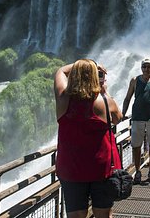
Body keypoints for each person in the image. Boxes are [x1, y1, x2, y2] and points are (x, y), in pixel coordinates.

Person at [54, 59, 122, 218]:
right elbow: (118, 118)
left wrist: (83, 65)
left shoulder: (63, 98)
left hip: (71, 168)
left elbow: (60, 71)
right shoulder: (104, 101)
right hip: (101, 168)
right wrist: (105, 91)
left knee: (76, 215)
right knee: (103, 214)